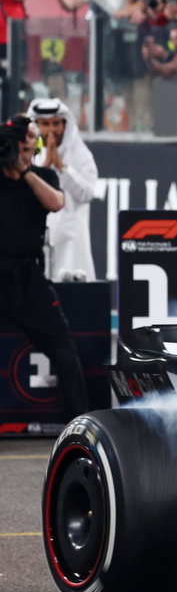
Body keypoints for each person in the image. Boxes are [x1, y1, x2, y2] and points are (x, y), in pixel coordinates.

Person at [0, 114, 87, 421]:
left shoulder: (41, 177)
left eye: (26, 149)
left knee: (63, 349)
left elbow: (56, 203)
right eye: (15, 148)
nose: (19, 154)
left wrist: (24, 170)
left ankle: (78, 422)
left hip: (27, 278)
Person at [25, 99, 98, 281]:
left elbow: (87, 193)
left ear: (65, 124)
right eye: (45, 124)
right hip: (36, 237)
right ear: (37, 126)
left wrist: (61, 167)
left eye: (56, 123)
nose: (51, 130)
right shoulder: (28, 154)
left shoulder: (80, 154)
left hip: (72, 239)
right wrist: (46, 165)